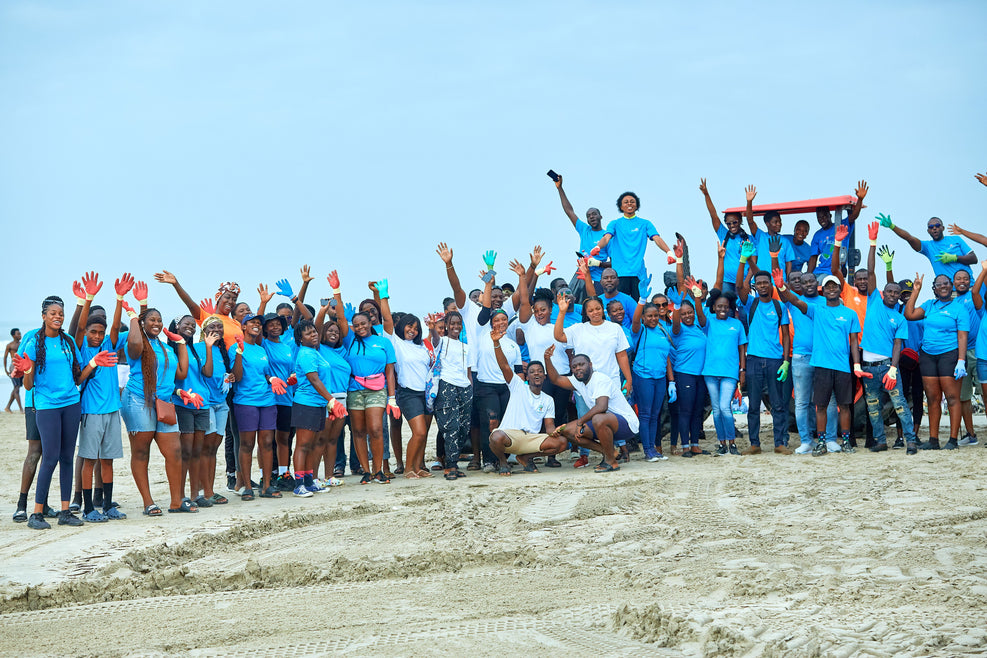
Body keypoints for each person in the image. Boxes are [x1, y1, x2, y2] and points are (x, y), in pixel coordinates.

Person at [15, 296, 113, 530]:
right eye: (53, 313)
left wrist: (94, 363)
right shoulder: (32, 343)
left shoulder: (68, 341)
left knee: (67, 458)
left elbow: (78, 378)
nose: (58, 316)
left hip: (71, 403)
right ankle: (36, 513)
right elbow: (28, 385)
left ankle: (65, 510)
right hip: (47, 406)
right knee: (49, 457)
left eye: (61, 313)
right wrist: (28, 369)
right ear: (44, 316)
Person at [121, 294, 194, 515]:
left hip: (164, 403)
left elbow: (180, 372)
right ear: (143, 323)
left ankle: (176, 501)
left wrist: (180, 343)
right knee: (141, 452)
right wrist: (133, 317)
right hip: (137, 400)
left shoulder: (166, 348)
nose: (157, 323)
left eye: (159, 320)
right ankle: (148, 502)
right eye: (151, 320)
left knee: (174, 451)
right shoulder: (135, 342)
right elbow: (134, 345)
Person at [775, 272, 862, 456]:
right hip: (813, 361)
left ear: (840, 289)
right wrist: (782, 286)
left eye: (834, 286)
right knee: (811, 403)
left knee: (839, 404)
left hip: (840, 366)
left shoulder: (849, 313)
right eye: (828, 286)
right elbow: (796, 301)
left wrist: (856, 365)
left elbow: (854, 341)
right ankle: (813, 442)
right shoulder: (817, 310)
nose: (831, 289)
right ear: (824, 289)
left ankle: (836, 440)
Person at [73, 273, 131, 521]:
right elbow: (77, 328)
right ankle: (88, 509)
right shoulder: (82, 346)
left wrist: (119, 298)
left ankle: (107, 506)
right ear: (87, 331)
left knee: (108, 461)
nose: (97, 336)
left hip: (111, 412)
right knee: (89, 460)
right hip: (91, 412)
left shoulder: (109, 343)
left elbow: (117, 327)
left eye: (100, 332)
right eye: (93, 331)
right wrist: (88, 298)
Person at [856, 229, 918, 454]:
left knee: (900, 404)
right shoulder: (874, 300)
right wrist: (872, 242)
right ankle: (880, 441)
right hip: (868, 368)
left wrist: (893, 369)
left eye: (896, 292)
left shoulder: (900, 318)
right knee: (873, 408)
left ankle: (911, 441)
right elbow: (871, 270)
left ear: (899, 295)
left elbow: (897, 345)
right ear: (883, 293)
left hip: (887, 367)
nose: (892, 294)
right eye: (889, 291)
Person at [554, 291, 633, 466]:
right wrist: (561, 311)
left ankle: (615, 453)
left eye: (598, 308)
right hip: (585, 384)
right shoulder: (578, 329)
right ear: (586, 312)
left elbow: (621, 356)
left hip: (610, 382)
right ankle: (585, 455)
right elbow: (559, 336)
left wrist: (628, 379)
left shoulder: (615, 328)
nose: (595, 312)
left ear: (603, 309)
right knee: (584, 418)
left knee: (610, 418)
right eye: (591, 310)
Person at [472, 261, 529, 472]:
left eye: (504, 320)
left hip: (507, 389)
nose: (500, 323)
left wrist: (521, 385)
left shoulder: (512, 344)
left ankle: (506, 456)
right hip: (486, 386)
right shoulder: (482, 335)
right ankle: (489, 460)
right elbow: (486, 307)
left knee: (508, 423)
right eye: (497, 320)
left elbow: (518, 371)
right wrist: (489, 278)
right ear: (491, 322)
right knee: (491, 423)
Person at [340, 277, 397, 484]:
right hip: (354, 390)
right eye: (356, 324)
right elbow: (339, 319)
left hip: (377, 390)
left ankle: (378, 470)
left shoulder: (383, 341)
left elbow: (390, 371)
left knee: (375, 429)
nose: (360, 327)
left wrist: (392, 398)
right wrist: (337, 291)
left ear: (370, 322)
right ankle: (365, 471)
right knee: (358, 431)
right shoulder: (350, 340)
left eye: (363, 323)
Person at [903, 273, 970, 450]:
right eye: (939, 284)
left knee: (952, 397)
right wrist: (916, 291)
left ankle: (953, 440)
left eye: (946, 283)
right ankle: (933, 440)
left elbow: (963, 336)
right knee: (933, 398)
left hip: (950, 355)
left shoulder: (959, 308)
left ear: (951, 286)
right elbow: (909, 314)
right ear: (934, 288)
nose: (943, 286)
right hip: (928, 355)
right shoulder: (929, 306)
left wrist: (961, 360)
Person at [545, 350, 639, 473]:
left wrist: (580, 422)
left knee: (598, 418)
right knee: (567, 431)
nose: (578, 368)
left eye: (581, 365)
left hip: (626, 424)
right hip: (605, 423)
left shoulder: (600, 379)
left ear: (590, 365)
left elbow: (602, 407)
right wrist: (547, 359)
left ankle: (611, 462)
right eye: (574, 367)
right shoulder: (578, 381)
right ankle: (610, 453)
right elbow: (556, 379)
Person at [487, 327, 565, 475]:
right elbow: (504, 366)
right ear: (527, 377)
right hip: (510, 435)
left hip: (530, 439)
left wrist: (555, 432)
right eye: (532, 372)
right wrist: (496, 343)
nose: (536, 373)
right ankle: (503, 462)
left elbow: (549, 426)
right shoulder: (518, 386)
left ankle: (525, 457)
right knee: (495, 436)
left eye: (540, 371)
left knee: (561, 442)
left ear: (544, 376)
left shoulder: (548, 400)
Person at [379, 278, 436, 480]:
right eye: (409, 327)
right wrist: (384, 296)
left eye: (416, 328)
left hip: (425, 394)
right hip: (407, 392)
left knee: (423, 434)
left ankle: (418, 467)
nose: (412, 330)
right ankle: (408, 468)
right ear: (402, 326)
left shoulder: (421, 346)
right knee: (419, 432)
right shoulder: (396, 342)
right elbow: (386, 319)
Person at [736, 251, 792, 454]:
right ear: (755, 286)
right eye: (758, 283)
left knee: (778, 404)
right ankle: (754, 444)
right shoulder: (752, 303)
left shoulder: (779, 306)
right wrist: (745, 263)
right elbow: (739, 288)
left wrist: (786, 361)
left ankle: (779, 444)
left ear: (771, 285)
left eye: (765, 283)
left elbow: (785, 336)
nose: (762, 286)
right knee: (753, 406)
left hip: (775, 360)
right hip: (753, 359)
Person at [229, 312, 285, 499]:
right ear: (243, 326)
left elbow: (265, 374)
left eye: (259, 324)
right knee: (247, 444)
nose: (257, 325)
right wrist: (238, 351)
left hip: (267, 400)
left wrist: (273, 379)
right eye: (252, 322)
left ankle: (267, 485)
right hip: (245, 401)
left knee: (267, 443)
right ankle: (246, 486)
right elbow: (237, 376)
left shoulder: (261, 350)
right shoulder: (235, 348)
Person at [290, 319, 347, 497]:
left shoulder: (315, 352)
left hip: (318, 404)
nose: (313, 335)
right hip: (306, 403)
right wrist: (332, 401)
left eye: (314, 331)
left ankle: (309, 481)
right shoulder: (306, 354)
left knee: (313, 444)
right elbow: (314, 380)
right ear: (300, 338)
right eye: (308, 333)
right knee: (303, 444)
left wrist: (327, 403)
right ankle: (299, 484)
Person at [784, 269, 839, 454]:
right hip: (801, 357)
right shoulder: (795, 301)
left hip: (824, 358)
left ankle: (830, 440)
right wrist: (774, 258)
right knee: (801, 402)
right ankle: (806, 441)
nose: (807, 284)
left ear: (817, 284)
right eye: (803, 281)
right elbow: (784, 292)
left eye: (810, 281)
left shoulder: (827, 302)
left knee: (828, 401)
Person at [703, 242, 747, 455]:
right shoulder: (709, 320)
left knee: (726, 407)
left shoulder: (737, 324)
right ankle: (722, 443)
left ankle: (733, 443)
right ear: (714, 308)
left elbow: (741, 349)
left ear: (730, 308)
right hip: (710, 372)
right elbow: (717, 284)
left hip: (730, 372)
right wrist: (720, 259)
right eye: (718, 306)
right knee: (717, 409)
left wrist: (742, 370)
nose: (722, 309)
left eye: (725, 307)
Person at [946, 223, 987, 444]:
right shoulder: (950, 303)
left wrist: (983, 269)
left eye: (965, 278)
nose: (961, 281)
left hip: (979, 352)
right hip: (960, 355)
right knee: (963, 398)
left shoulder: (978, 293)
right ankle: (970, 435)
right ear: (953, 282)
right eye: (957, 279)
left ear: (970, 280)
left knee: (985, 394)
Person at [591, 191, 674, 297]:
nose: (629, 204)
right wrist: (598, 247)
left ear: (637, 205)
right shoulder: (615, 223)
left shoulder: (645, 224)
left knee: (639, 306)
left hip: (638, 274)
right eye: (626, 202)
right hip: (619, 273)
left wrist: (669, 252)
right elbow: (606, 237)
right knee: (619, 307)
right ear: (621, 207)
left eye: (632, 202)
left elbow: (657, 238)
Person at [169, 315, 211, 507]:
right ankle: (181, 495)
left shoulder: (194, 349)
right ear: (176, 326)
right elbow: (167, 379)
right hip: (182, 403)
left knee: (197, 451)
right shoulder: (170, 350)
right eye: (186, 324)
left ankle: (196, 494)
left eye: (193, 325)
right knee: (185, 452)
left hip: (202, 403)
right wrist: (179, 392)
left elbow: (206, 373)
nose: (190, 327)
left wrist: (208, 347)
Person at [429, 311, 472, 480]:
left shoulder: (466, 347)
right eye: (452, 323)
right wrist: (433, 329)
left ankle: (452, 460)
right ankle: (450, 467)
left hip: (465, 387)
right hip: (446, 385)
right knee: (450, 427)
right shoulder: (442, 341)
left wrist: (470, 390)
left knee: (463, 427)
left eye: (458, 323)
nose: (456, 326)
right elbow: (435, 339)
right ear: (446, 325)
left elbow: (468, 372)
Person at [552, 173, 611, 291]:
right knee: (574, 303)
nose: (592, 217)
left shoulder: (608, 236)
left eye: (594, 214)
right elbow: (569, 211)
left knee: (598, 305)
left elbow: (615, 263)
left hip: (599, 280)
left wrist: (597, 263)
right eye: (588, 216)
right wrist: (560, 188)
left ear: (601, 216)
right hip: (581, 277)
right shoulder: (584, 230)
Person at [671, 272, 708, 457]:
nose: (687, 316)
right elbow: (676, 323)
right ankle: (685, 446)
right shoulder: (677, 329)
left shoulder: (700, 327)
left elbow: (701, 316)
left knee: (697, 411)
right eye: (684, 313)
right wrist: (677, 306)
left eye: (689, 312)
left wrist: (697, 297)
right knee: (685, 410)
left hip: (701, 375)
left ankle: (695, 444)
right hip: (684, 373)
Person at [878, 213, 976, 281]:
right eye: (931, 227)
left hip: (969, 287)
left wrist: (955, 258)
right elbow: (909, 238)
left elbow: (974, 259)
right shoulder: (928, 246)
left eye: (937, 225)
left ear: (943, 228)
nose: (934, 228)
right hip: (949, 292)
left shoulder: (956, 239)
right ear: (928, 231)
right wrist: (892, 226)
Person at [260, 312, 297, 491]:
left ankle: (284, 473)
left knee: (284, 438)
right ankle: (265, 476)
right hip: (268, 398)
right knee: (266, 440)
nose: (275, 327)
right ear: (265, 328)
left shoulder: (287, 347)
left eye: (278, 324)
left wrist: (292, 377)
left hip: (286, 398)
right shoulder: (263, 344)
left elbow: (292, 370)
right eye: (271, 324)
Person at [197, 318, 231, 505]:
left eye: (220, 326)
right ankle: (207, 491)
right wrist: (208, 347)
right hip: (206, 403)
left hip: (221, 403)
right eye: (212, 327)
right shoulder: (199, 347)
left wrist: (229, 377)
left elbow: (219, 375)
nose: (217, 329)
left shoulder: (222, 350)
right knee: (206, 448)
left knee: (213, 449)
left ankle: (209, 488)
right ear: (204, 331)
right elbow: (207, 372)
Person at [806, 181, 869, 277]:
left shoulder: (841, 226)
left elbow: (853, 216)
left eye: (824, 216)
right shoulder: (817, 235)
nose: (821, 220)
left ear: (830, 216)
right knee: (805, 284)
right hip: (819, 270)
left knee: (819, 282)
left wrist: (860, 199)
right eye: (819, 218)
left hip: (833, 271)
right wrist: (808, 275)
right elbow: (813, 257)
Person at [700, 178, 749, 293]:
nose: (732, 225)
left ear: (740, 221)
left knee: (743, 311)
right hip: (726, 281)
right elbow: (713, 215)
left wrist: (747, 281)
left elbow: (753, 261)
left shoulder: (748, 239)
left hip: (742, 282)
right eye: (728, 223)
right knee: (727, 310)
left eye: (735, 222)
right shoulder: (724, 234)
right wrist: (706, 194)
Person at [745, 184, 796, 278]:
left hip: (780, 282)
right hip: (762, 281)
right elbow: (750, 221)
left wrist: (788, 280)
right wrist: (749, 202)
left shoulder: (785, 241)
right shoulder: (760, 236)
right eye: (775, 222)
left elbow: (789, 262)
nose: (779, 224)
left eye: (780, 221)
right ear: (767, 223)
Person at [4, 328, 23, 413]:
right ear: (13, 335)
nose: (20, 335)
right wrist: (5, 369)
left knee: (16, 387)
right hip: (13, 366)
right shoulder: (10, 345)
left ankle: (7, 407)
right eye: (18, 334)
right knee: (16, 388)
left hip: (21, 366)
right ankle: (21, 409)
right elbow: (5, 357)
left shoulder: (22, 344)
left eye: (20, 334)